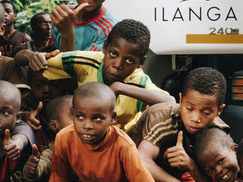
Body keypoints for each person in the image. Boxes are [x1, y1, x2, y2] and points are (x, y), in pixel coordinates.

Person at [33, 19, 174, 132]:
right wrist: (31, 56)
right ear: (105, 47)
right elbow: (29, 60)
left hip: (119, 142)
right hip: (83, 134)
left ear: (141, 62)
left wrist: (119, 88)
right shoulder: (86, 61)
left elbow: (170, 102)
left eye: (129, 60)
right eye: (113, 54)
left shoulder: (139, 81)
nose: (118, 64)